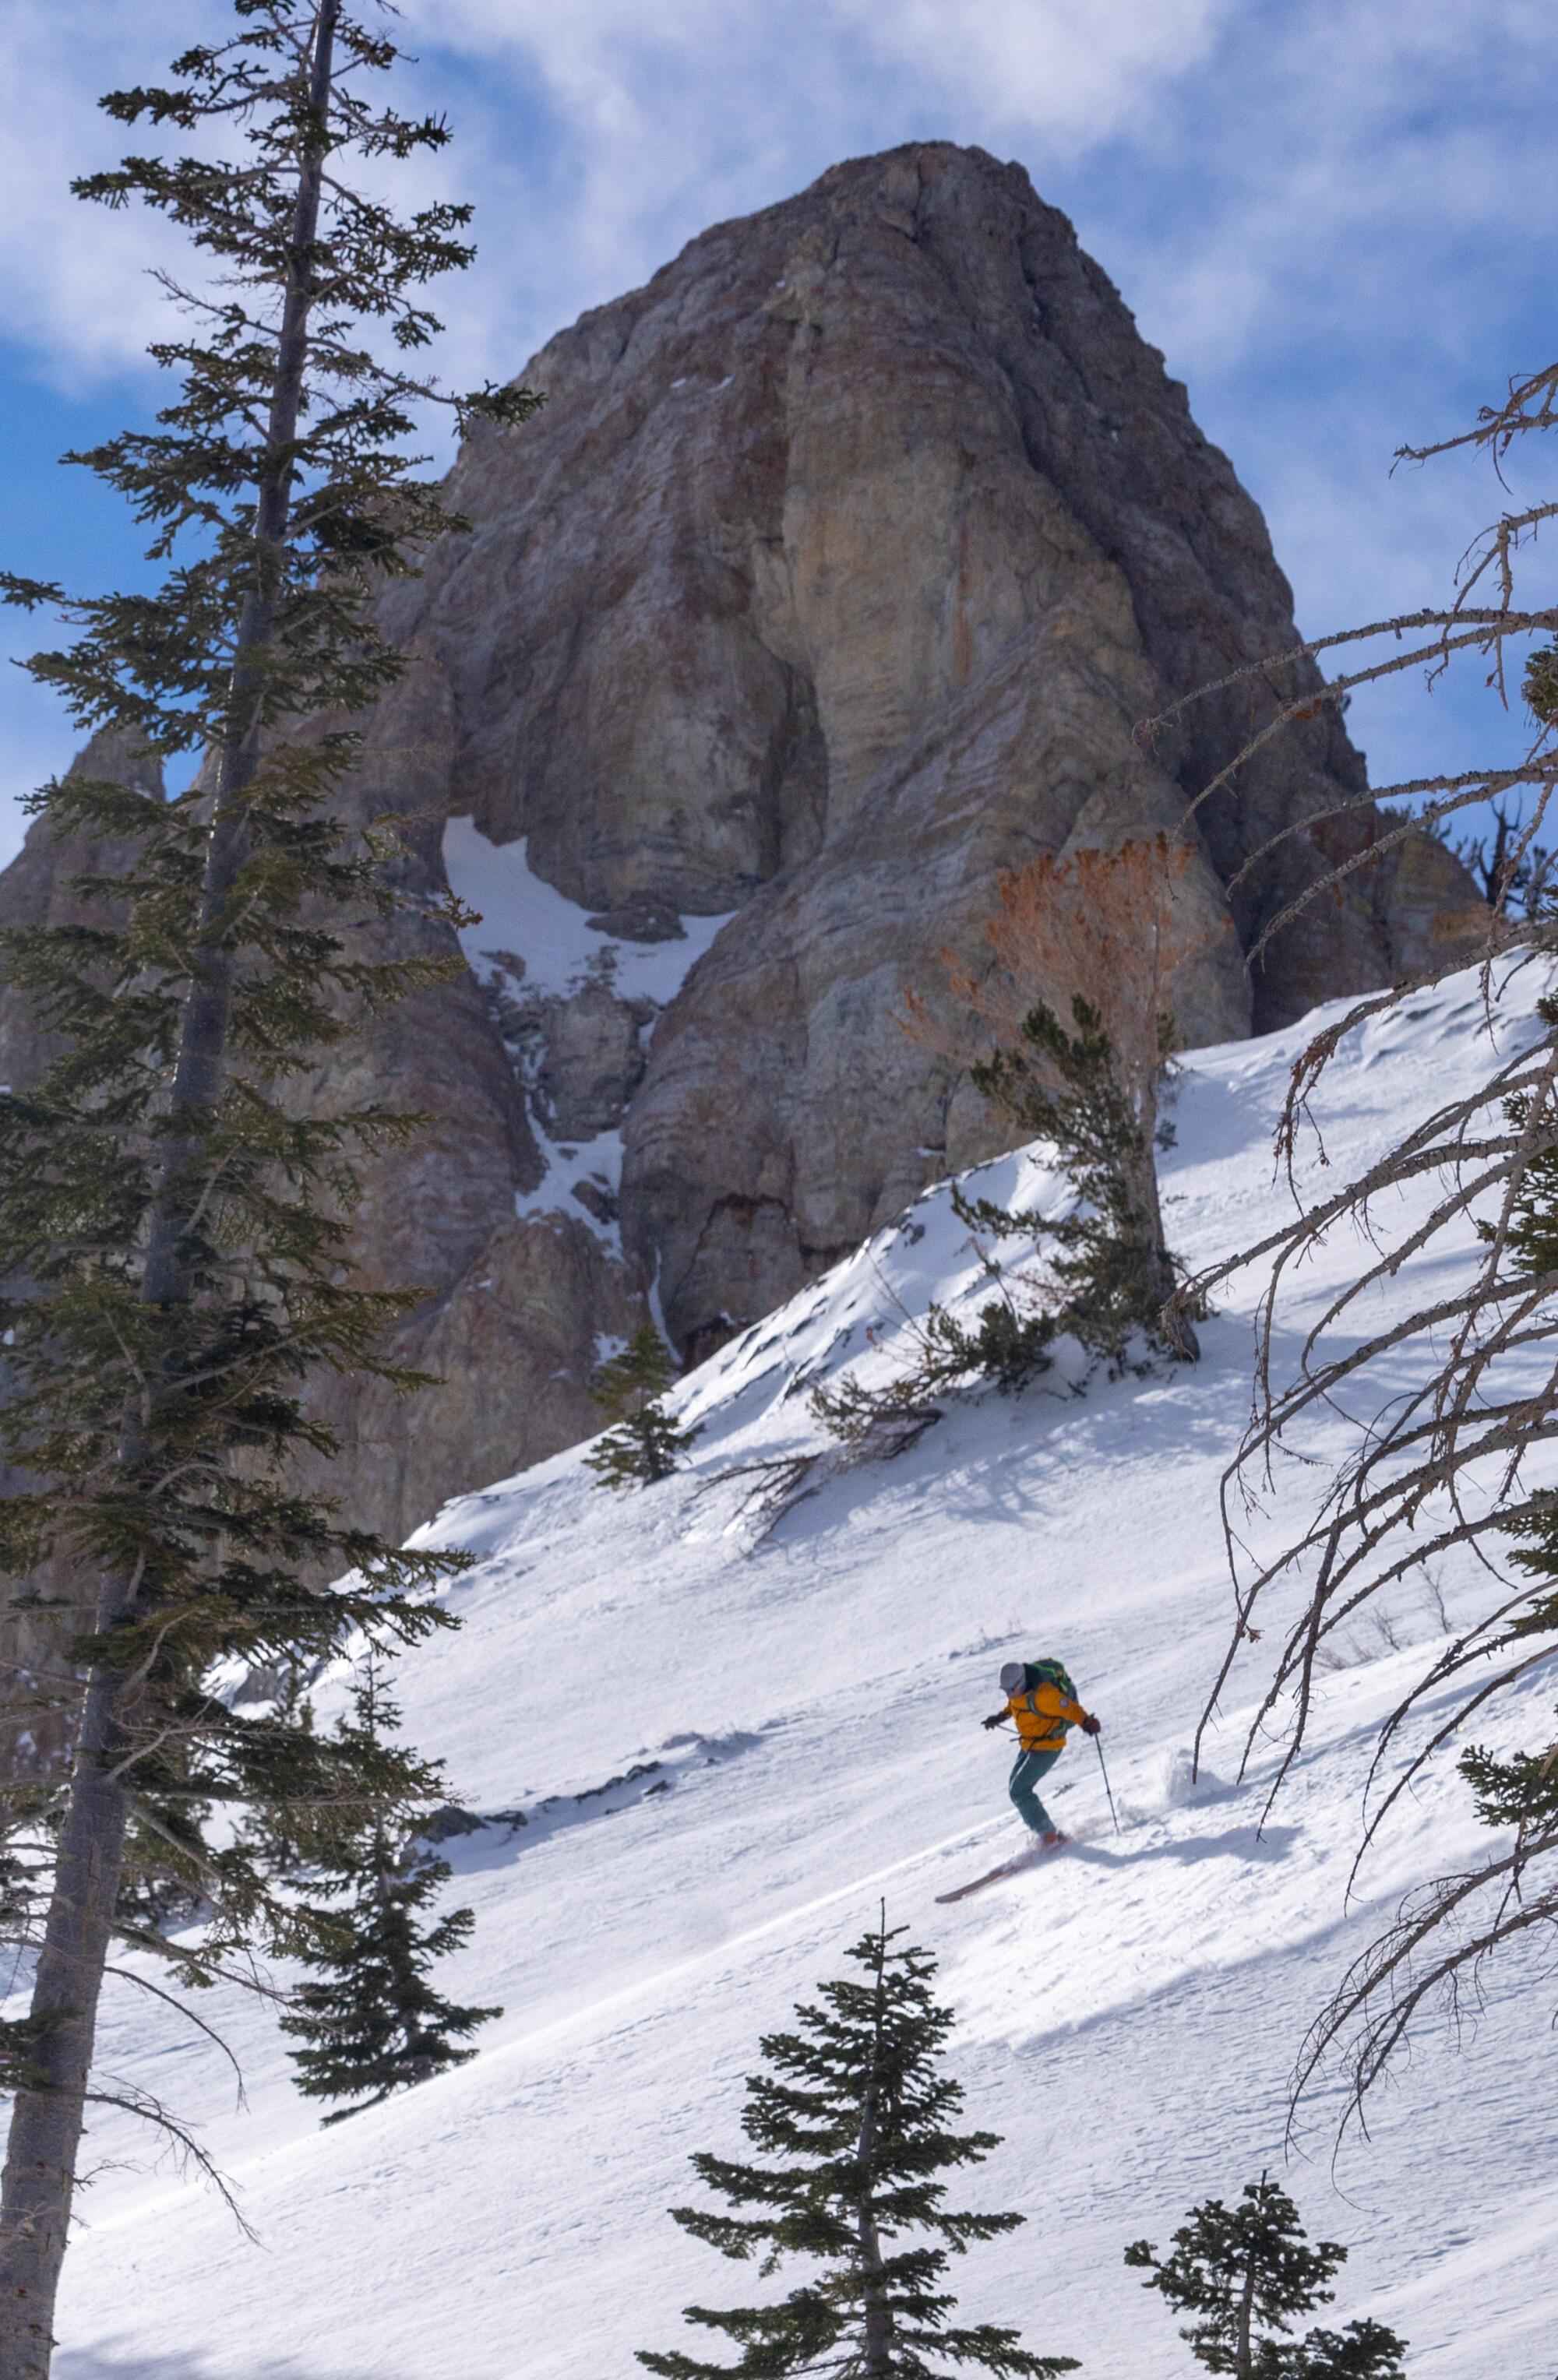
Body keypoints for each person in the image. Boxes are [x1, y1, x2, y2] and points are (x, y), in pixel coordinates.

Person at [982, 1657, 1101, 1849]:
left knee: (1019, 1791)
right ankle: (1049, 1832)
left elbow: (1070, 1709)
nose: (1009, 1695)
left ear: (1021, 1682)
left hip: (1047, 1747)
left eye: (1011, 1690)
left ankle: (1048, 1836)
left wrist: (1087, 1722)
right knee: (1015, 1789)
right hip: (1029, 1743)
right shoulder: (1019, 1694)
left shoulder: (1044, 1695)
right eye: (1005, 1691)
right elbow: (1016, 1705)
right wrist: (1000, 1717)